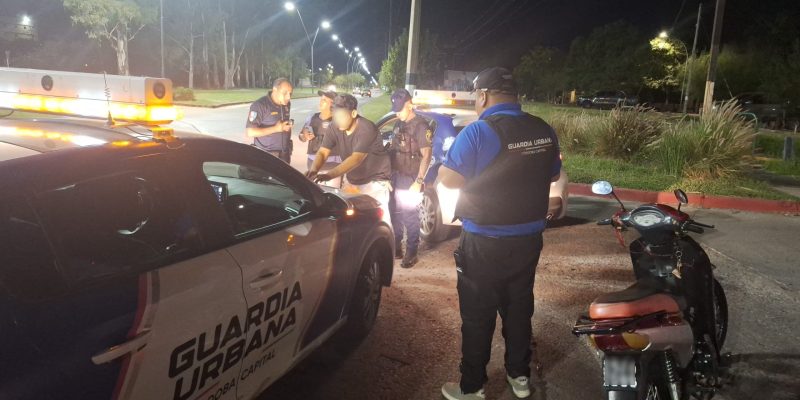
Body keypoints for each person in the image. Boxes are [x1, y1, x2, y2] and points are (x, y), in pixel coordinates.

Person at [437, 67, 562, 400]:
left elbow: (449, 180)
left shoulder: (478, 132)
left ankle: (472, 387)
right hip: (528, 239)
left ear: (482, 95)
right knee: (519, 308)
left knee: (477, 315)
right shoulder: (544, 130)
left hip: (484, 239)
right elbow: (552, 175)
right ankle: (519, 378)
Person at [306, 94, 393, 226]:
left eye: (341, 116)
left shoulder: (366, 128)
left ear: (353, 113)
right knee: (351, 221)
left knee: (379, 223)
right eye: (335, 116)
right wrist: (313, 171)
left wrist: (328, 175)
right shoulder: (334, 126)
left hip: (374, 182)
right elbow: (323, 152)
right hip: (353, 179)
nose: (338, 120)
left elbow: (356, 159)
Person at [388, 88, 433, 268]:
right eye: (395, 109)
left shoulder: (421, 126)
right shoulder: (398, 124)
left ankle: (411, 252)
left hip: (412, 179)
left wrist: (419, 181)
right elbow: (393, 149)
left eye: (400, 108)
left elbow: (427, 155)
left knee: (410, 215)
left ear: (409, 104)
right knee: (395, 212)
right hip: (396, 176)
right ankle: (397, 247)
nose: (397, 112)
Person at [299, 90, 342, 187]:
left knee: (332, 195)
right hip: (312, 165)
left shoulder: (339, 121)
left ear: (332, 105)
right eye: (321, 99)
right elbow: (301, 137)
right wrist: (304, 135)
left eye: (324, 100)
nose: (320, 102)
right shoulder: (311, 118)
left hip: (332, 167)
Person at [246, 77, 294, 162]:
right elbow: (250, 132)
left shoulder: (286, 104)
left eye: (290, 93)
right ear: (275, 90)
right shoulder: (260, 105)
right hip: (266, 155)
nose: (288, 97)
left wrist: (286, 126)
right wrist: (276, 129)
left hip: (285, 154)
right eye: (285, 93)